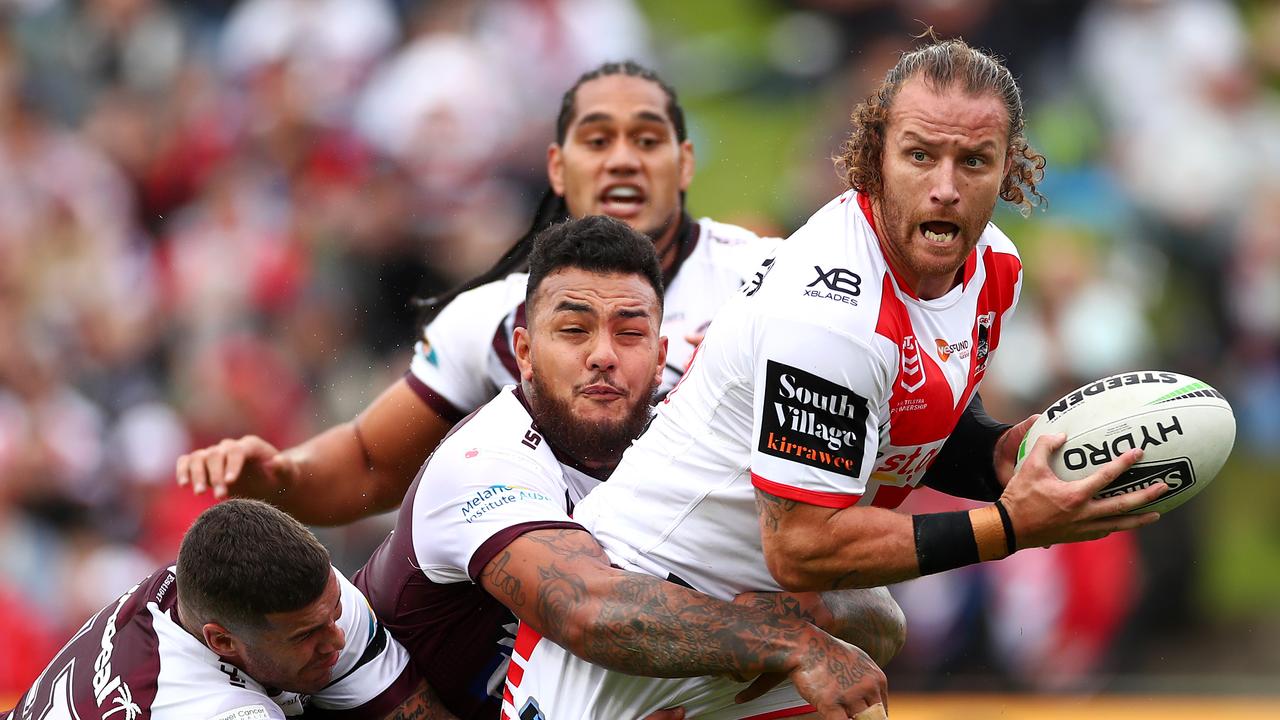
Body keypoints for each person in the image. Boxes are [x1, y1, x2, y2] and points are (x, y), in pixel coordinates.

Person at [504, 38, 1172, 718]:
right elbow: (802, 544)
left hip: (761, 631)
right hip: (638, 632)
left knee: (874, 627)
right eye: (920, 155)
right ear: (875, 158)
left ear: (1010, 170)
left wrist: (996, 456)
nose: (946, 185)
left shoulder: (994, 269)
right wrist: (1008, 524)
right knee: (867, 621)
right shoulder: (833, 315)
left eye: (974, 160)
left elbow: (903, 415)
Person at [175, 61, 778, 526]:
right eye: (597, 141)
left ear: (687, 162)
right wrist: (275, 476)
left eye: (647, 140)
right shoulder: (491, 316)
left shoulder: (768, 281)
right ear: (557, 168)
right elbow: (370, 464)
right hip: (573, 636)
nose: (622, 160)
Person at [356, 215, 903, 720]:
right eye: (573, 330)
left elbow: (880, 620)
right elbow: (585, 610)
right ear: (523, 352)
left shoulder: (687, 440)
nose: (602, 354)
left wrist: (812, 609)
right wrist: (792, 642)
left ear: (661, 355)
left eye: (629, 332)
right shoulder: (483, 462)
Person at [5, 499, 450, 720]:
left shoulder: (299, 599)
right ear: (220, 640)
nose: (334, 638)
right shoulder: (209, 708)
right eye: (305, 637)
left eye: (332, 612)